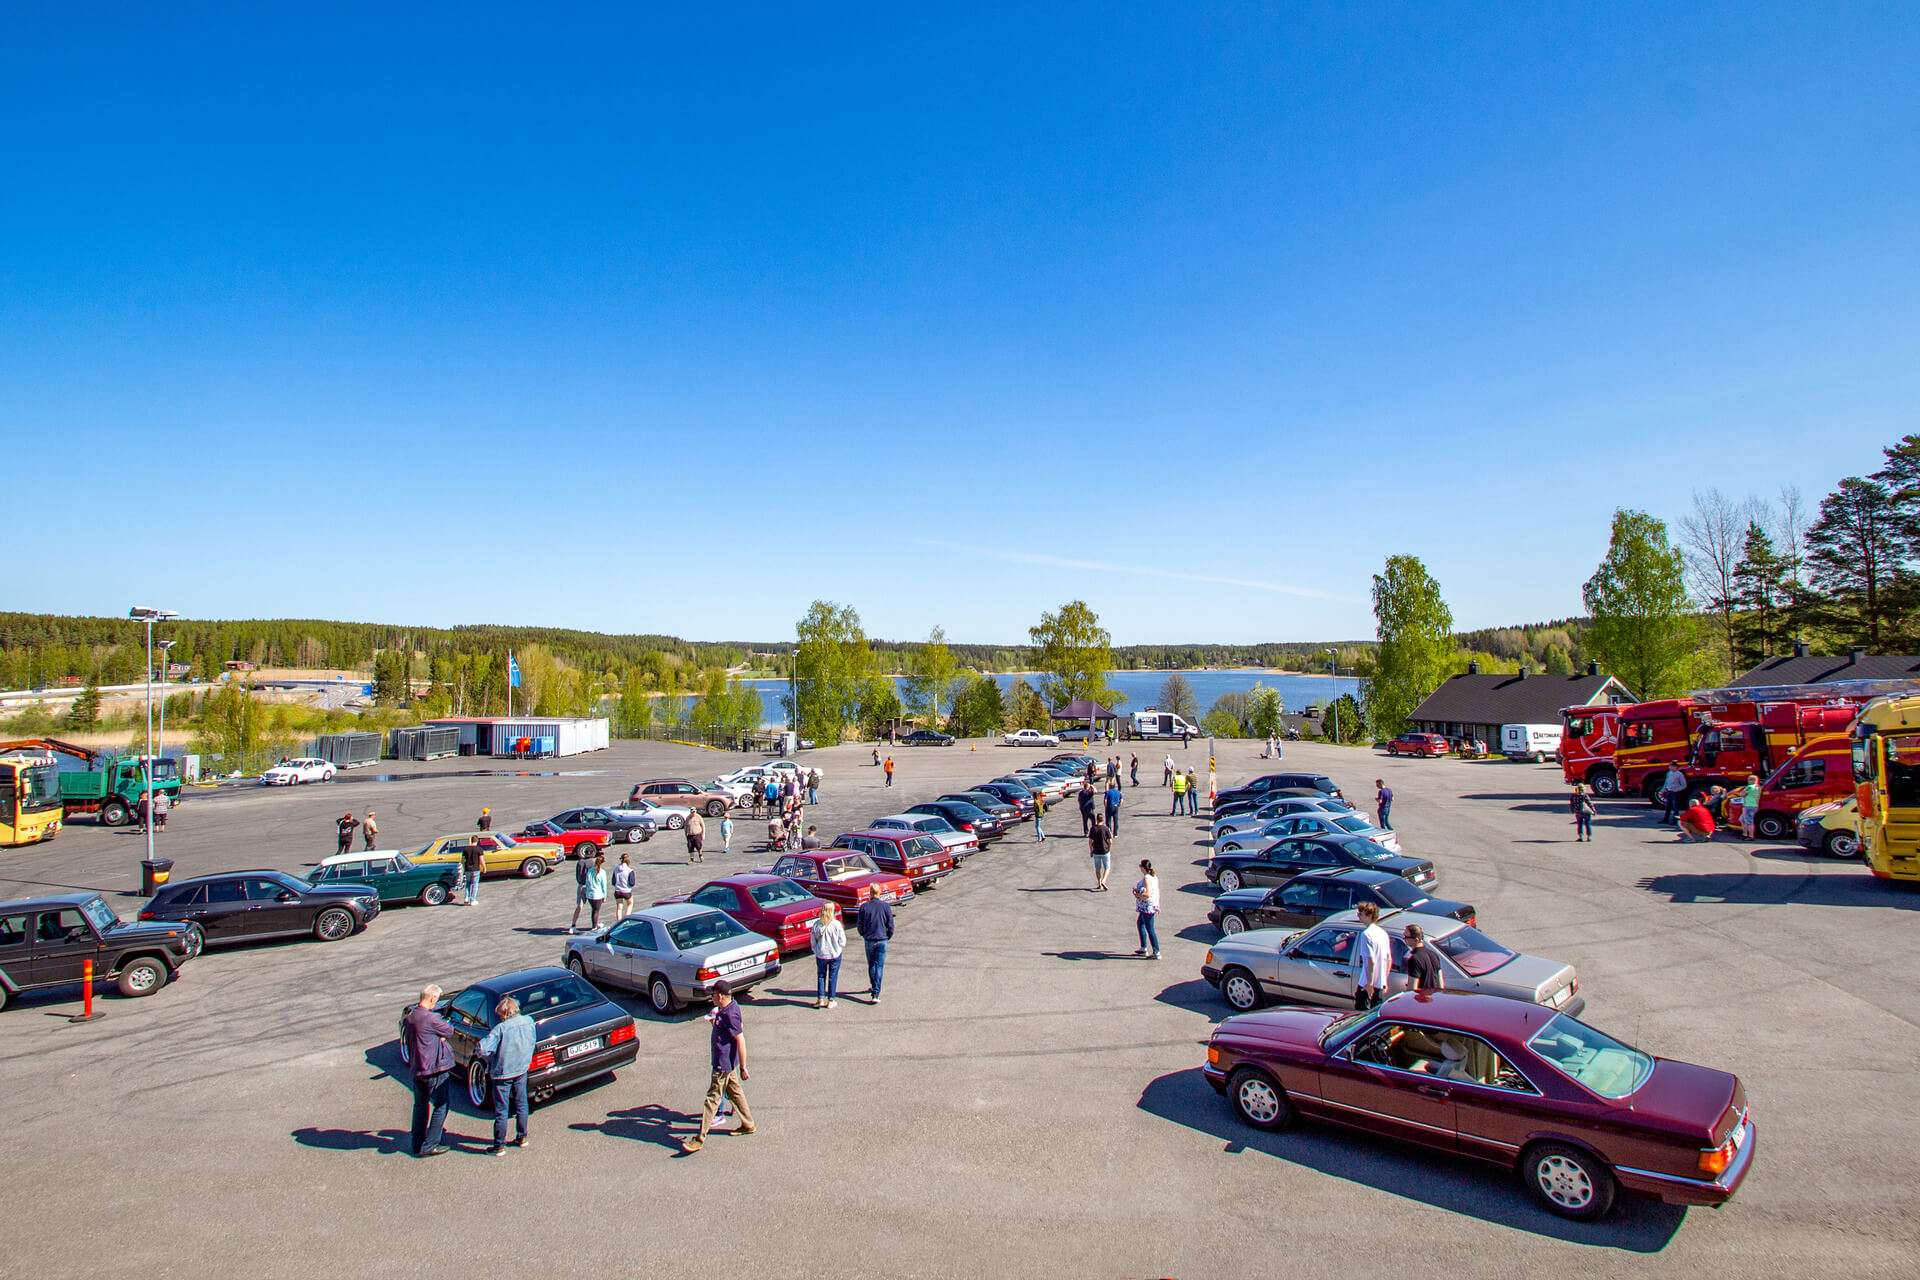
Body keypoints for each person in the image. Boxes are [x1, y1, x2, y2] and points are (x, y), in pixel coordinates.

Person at [681, 980, 752, 1153]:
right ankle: (748, 1124)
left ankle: (699, 1138)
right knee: (735, 1093)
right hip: (725, 1064)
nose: (711, 997)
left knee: (712, 1099)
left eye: (713, 995)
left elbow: (740, 1040)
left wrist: (743, 1066)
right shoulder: (725, 1009)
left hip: (723, 1065)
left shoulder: (730, 1014)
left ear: (720, 996)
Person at [476, 994, 534, 1154]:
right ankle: (522, 1137)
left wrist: (487, 1056)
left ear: (506, 1013)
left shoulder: (500, 1029)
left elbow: (483, 1049)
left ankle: (499, 1145)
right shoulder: (529, 1021)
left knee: (502, 1110)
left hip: (503, 1073)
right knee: (522, 1104)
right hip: (521, 1069)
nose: (500, 1017)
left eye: (500, 1014)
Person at [403, 985, 456, 1157]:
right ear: (432, 998)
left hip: (418, 1069)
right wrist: (439, 1036)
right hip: (434, 1069)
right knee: (441, 1105)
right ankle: (431, 1144)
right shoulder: (431, 1018)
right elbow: (449, 1030)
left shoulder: (411, 1017)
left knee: (420, 1106)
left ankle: (417, 1143)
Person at [856, 885, 894, 1003]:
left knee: (872, 965)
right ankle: (876, 992)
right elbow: (890, 925)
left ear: (870, 893)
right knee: (879, 966)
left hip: (870, 939)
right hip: (882, 939)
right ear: (880, 892)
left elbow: (860, 926)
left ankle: (874, 987)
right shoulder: (885, 906)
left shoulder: (864, 907)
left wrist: (864, 934)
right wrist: (887, 936)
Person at [1353, 902, 1392, 1010]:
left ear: (1369, 915)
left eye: (1360, 914)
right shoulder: (1383, 933)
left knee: (1361, 1015)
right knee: (1375, 1014)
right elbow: (1388, 959)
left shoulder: (1366, 934)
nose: (1358, 916)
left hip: (1366, 982)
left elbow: (1371, 960)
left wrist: (1369, 984)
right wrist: (1384, 980)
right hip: (1380, 983)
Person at [810, 901, 845, 1009]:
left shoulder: (817, 924)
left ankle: (820, 998)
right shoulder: (836, 924)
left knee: (821, 976)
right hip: (834, 954)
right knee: (832, 976)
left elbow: (813, 941)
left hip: (821, 954)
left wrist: (816, 950)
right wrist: (838, 949)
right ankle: (831, 1000)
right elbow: (842, 941)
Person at [1132, 859, 1160, 958]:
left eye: (1140, 866)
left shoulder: (1147, 878)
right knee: (1140, 923)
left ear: (1143, 868)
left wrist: (1137, 895)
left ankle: (1156, 951)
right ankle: (1143, 947)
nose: (1139, 867)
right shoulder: (1154, 877)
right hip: (1150, 905)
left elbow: (1147, 894)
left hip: (1147, 906)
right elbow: (1156, 891)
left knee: (1150, 928)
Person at [1403, 923, 1443, 991]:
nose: (1404, 938)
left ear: (1416, 940)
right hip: (1434, 997)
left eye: (1406, 937)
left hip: (1421, 999)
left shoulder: (1414, 959)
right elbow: (1440, 983)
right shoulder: (1433, 954)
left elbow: (1412, 989)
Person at [581, 855, 609, 928]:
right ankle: (594, 926)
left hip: (590, 894)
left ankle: (595, 924)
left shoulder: (590, 871)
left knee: (593, 910)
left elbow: (587, 883)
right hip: (598, 894)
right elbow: (604, 886)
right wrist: (604, 896)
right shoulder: (602, 872)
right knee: (596, 911)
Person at [1088, 815, 1112, 890]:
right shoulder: (1106, 828)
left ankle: (1099, 882)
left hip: (1096, 851)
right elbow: (1110, 841)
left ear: (1096, 820)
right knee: (1107, 867)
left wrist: (1091, 850)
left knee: (1097, 867)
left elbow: (1090, 841)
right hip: (1105, 851)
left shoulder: (1093, 828)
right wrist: (1109, 849)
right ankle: (1104, 881)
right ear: (1103, 819)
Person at [460, 838, 484, 907]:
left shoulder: (465, 849)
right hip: (476, 869)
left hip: (467, 869)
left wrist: (463, 868)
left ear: (471, 841)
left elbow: (462, 860)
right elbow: (481, 860)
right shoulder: (479, 849)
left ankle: (466, 898)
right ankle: (473, 900)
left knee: (468, 883)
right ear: (477, 841)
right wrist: (484, 868)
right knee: (475, 884)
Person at [611, 852, 636, 919]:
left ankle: (618, 921)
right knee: (630, 904)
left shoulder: (616, 869)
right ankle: (626, 919)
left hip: (618, 891)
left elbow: (613, 882)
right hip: (626, 891)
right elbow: (632, 883)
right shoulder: (629, 870)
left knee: (619, 908)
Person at [1739, 773, 1761, 840]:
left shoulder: (1750, 787)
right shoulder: (1758, 787)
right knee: (1742, 820)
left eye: (1748, 780)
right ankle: (1744, 834)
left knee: (1749, 822)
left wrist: (1743, 790)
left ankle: (1751, 836)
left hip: (1748, 805)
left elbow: (1742, 794)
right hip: (1754, 805)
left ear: (1751, 780)